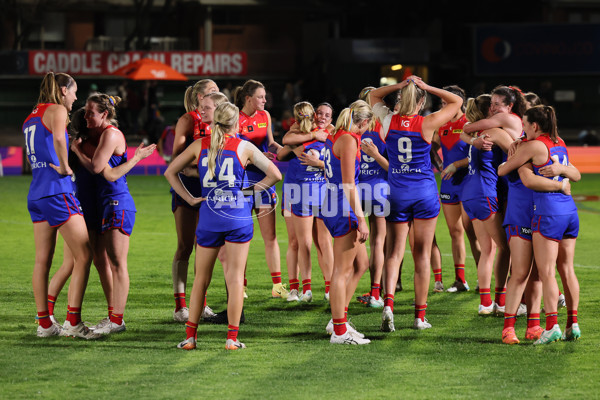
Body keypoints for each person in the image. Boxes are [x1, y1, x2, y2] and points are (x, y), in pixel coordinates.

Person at [165, 102, 282, 350]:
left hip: (209, 215)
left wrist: (189, 199)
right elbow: (275, 175)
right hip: (237, 216)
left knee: (200, 280)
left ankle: (190, 338)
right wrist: (249, 191)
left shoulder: (199, 145)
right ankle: (231, 338)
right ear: (236, 122)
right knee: (235, 278)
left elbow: (170, 172)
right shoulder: (244, 146)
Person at [369, 76, 462, 332]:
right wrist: (427, 86)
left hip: (397, 192)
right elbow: (457, 101)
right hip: (423, 192)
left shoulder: (388, 121)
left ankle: (388, 304)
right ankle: (419, 317)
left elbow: (374, 96)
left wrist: (400, 86)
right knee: (421, 255)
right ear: (421, 102)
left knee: (394, 253)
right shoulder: (428, 122)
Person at [23, 72, 100, 339]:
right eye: (75, 91)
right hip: (57, 191)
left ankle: (45, 324)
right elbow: (58, 138)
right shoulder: (56, 109)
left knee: (42, 260)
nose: (76, 97)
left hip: (37, 193)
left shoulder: (31, 116)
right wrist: (66, 167)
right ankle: (73, 323)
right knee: (84, 255)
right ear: (63, 90)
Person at [71, 93, 156, 334]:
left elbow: (99, 168)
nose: (86, 116)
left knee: (117, 263)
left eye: (91, 112)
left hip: (117, 201)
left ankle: (117, 320)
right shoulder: (96, 135)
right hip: (101, 203)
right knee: (100, 261)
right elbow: (107, 173)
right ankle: (112, 315)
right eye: (85, 112)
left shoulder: (111, 134)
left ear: (105, 114)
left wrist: (77, 151)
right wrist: (136, 158)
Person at [498, 105, 581, 345]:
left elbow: (506, 171)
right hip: (545, 212)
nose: (521, 128)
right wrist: (562, 174)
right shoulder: (556, 142)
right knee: (527, 272)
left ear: (534, 126)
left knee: (541, 274)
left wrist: (519, 157)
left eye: (524, 124)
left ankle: (544, 325)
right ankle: (568, 323)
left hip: (544, 213)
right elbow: (574, 175)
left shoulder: (531, 146)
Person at [321, 100, 373, 345]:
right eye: (368, 124)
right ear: (363, 122)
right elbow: (348, 184)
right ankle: (339, 331)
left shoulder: (336, 134)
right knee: (341, 271)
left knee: (361, 264)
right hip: (343, 207)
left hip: (332, 203)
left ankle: (338, 319)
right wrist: (362, 220)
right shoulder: (350, 140)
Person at [169, 79, 219, 322]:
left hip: (211, 191)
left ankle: (201, 304)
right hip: (188, 189)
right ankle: (180, 307)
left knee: (205, 247)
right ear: (200, 97)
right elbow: (176, 157)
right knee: (185, 246)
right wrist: (194, 170)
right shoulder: (189, 120)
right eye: (212, 92)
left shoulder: (220, 122)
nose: (216, 95)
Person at [233, 80, 287, 298]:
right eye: (261, 97)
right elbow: (235, 151)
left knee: (270, 237)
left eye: (265, 96)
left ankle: (277, 286)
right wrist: (255, 158)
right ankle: (241, 286)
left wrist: (285, 151)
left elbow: (271, 143)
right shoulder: (235, 118)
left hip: (265, 181)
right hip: (245, 181)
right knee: (242, 237)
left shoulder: (265, 116)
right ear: (248, 98)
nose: (265, 100)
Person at [459, 94, 513, 316]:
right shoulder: (495, 132)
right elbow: (518, 153)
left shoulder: (475, 135)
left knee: (487, 251)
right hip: (484, 194)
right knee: (506, 248)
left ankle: (485, 303)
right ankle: (501, 301)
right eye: (492, 107)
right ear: (489, 113)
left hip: (469, 194)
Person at [277, 101, 333, 302]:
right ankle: (297, 288)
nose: (323, 117)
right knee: (297, 242)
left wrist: (296, 147)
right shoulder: (303, 132)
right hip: (298, 190)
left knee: (316, 242)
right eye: (319, 113)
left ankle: (318, 288)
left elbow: (283, 149)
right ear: (313, 115)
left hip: (307, 191)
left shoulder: (328, 135)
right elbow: (282, 151)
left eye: (327, 114)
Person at [432, 85, 481, 293]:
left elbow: (477, 155)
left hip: (468, 182)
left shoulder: (470, 124)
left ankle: (483, 278)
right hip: (449, 184)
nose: (444, 107)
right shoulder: (440, 125)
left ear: (458, 102)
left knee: (473, 232)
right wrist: (440, 164)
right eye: (442, 104)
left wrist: (456, 165)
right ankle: (460, 280)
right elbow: (432, 148)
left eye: (447, 103)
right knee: (455, 232)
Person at [356, 86, 389, 308]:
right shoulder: (385, 128)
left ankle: (335, 288)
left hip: (358, 190)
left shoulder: (353, 128)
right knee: (379, 242)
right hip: (379, 188)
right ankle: (377, 292)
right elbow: (392, 166)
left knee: (357, 242)